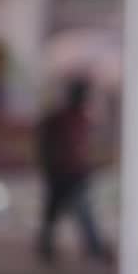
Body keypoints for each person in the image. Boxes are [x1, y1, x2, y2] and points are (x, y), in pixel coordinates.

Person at [36, 77, 110, 264]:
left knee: (73, 213)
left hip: (73, 173)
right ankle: (91, 249)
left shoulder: (78, 119)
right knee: (61, 214)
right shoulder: (61, 119)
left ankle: (93, 249)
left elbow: (84, 148)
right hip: (63, 172)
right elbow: (48, 146)